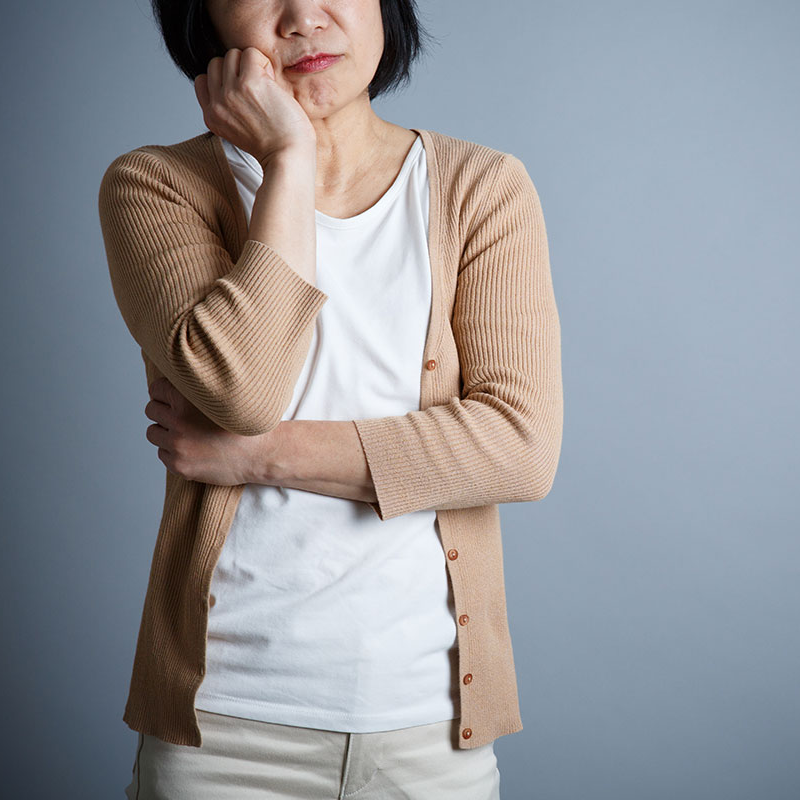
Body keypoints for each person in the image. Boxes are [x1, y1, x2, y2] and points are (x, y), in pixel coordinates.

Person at [96, 0, 564, 797]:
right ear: (205, 22)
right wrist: (287, 160)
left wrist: (259, 455)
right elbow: (242, 388)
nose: (303, 16)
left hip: (429, 724)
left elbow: (519, 449)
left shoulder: (481, 189)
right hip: (225, 732)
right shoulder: (155, 185)